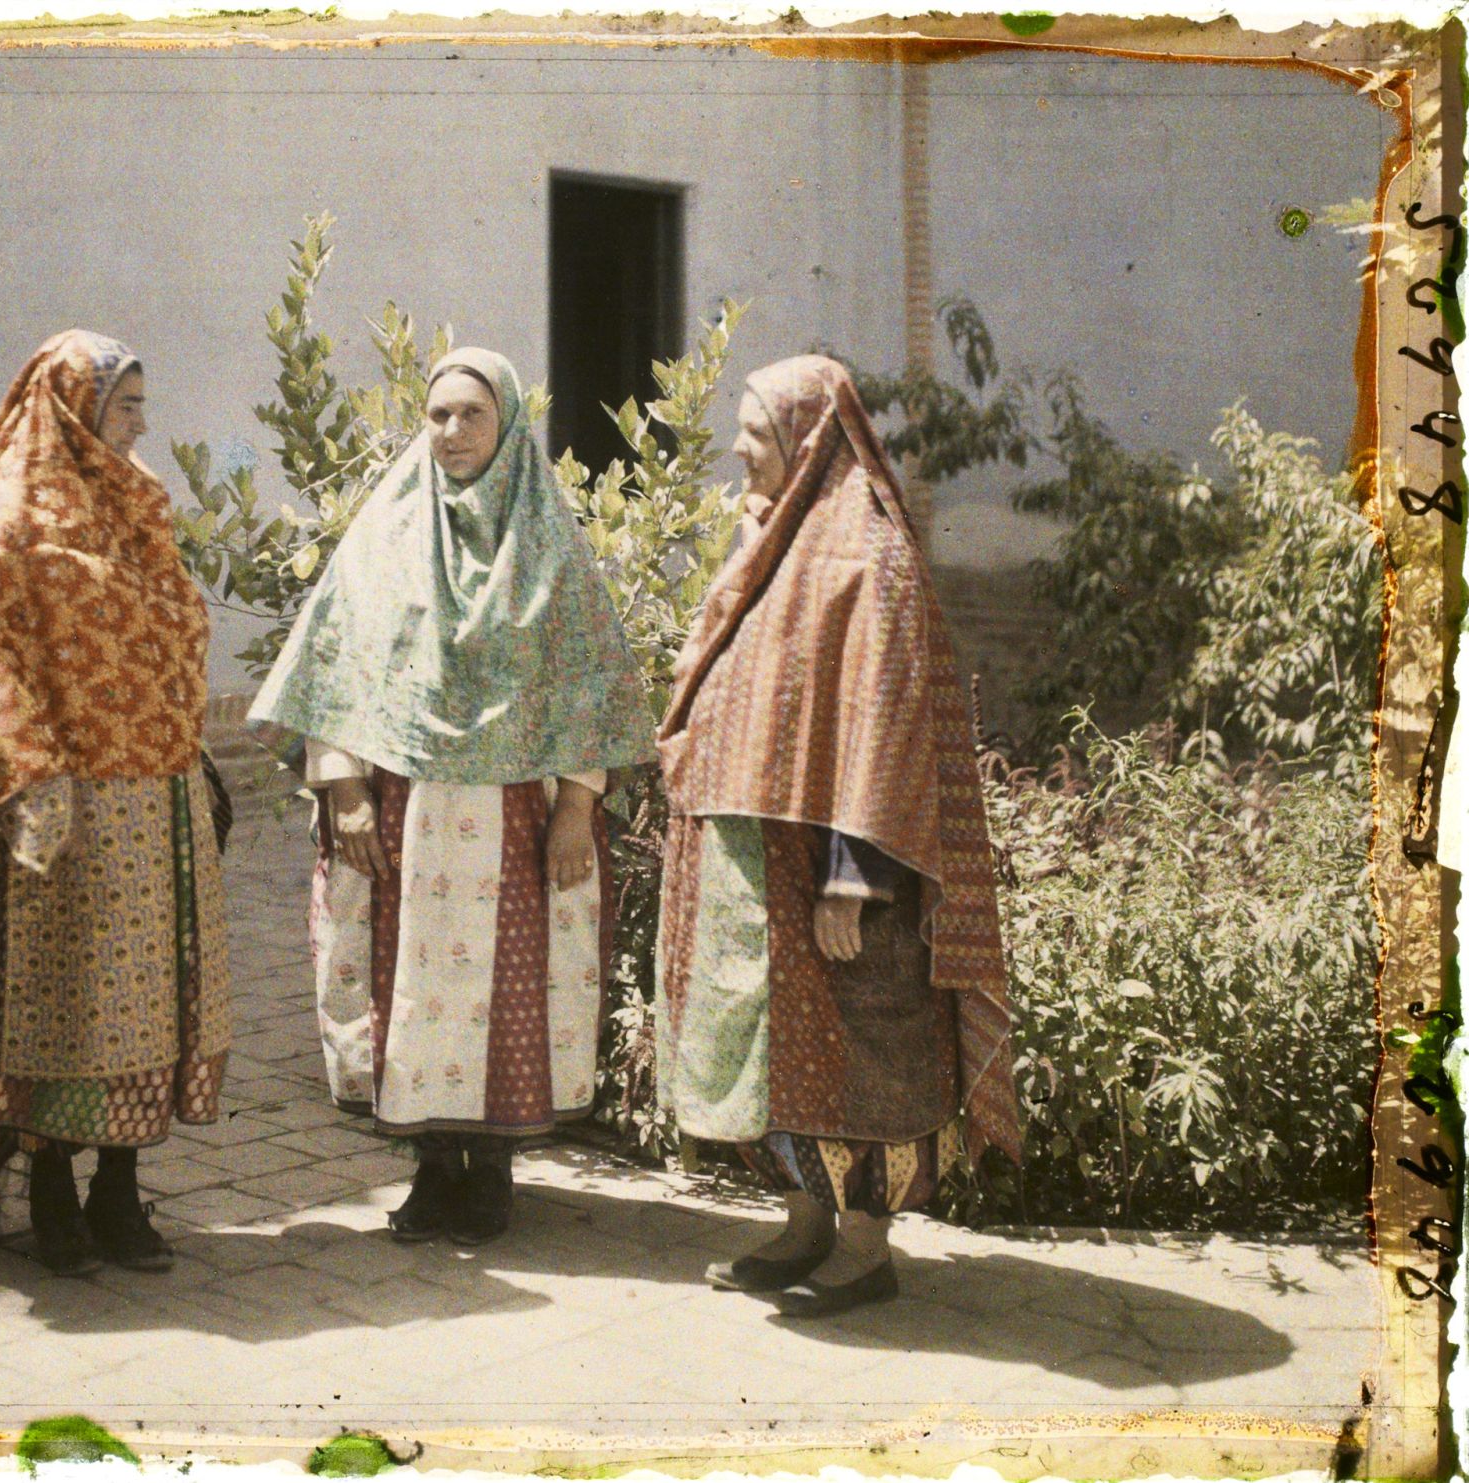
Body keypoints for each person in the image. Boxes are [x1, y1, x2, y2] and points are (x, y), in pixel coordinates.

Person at [249, 348, 656, 1245]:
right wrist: (345, 787)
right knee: (412, 983)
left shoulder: (549, 543)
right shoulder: (385, 535)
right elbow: (333, 660)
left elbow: (591, 680)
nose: (453, 431)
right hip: (408, 813)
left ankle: (494, 1169)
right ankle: (434, 1168)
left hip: (515, 821)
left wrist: (577, 806)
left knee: (507, 988)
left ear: (507, 425)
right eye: (438, 414)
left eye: (473, 414)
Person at [0, 329, 231, 1278]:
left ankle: (120, 1188)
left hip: (159, 792)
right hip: (63, 804)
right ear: (73, 406)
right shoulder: (2, 515)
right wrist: (35, 776)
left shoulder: (136, 499)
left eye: (141, 406)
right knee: (67, 1005)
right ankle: (54, 1189)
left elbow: (172, 629)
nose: (140, 425)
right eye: (125, 406)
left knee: (150, 1003)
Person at [653, 354, 1022, 1318]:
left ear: (810, 439)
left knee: (865, 1058)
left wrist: (852, 876)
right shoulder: (780, 538)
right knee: (784, 1059)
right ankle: (803, 1225)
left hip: (842, 869)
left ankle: (865, 1248)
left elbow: (887, 723)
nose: (739, 449)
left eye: (758, 434)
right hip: (768, 866)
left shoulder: (868, 555)